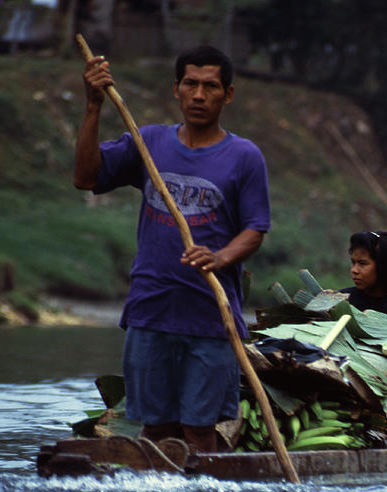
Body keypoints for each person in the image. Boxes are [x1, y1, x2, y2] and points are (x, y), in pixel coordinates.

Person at [73, 45, 271, 452]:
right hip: (151, 310)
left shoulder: (244, 157)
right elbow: (84, 176)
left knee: (200, 432)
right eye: (191, 84)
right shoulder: (150, 143)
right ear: (176, 90)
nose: (199, 95)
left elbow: (255, 229)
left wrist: (220, 258)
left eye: (210, 86)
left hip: (211, 318)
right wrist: (93, 106)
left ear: (227, 95)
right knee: (155, 429)